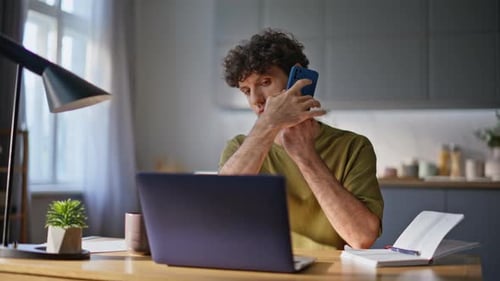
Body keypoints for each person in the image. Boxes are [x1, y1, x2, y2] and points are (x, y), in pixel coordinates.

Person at [218, 28, 383, 250]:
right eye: (246, 91)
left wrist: (305, 156)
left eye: (265, 82)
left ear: (300, 81)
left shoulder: (353, 147)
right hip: (260, 268)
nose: (256, 99)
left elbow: (362, 238)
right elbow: (219, 214)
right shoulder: (238, 148)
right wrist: (269, 123)